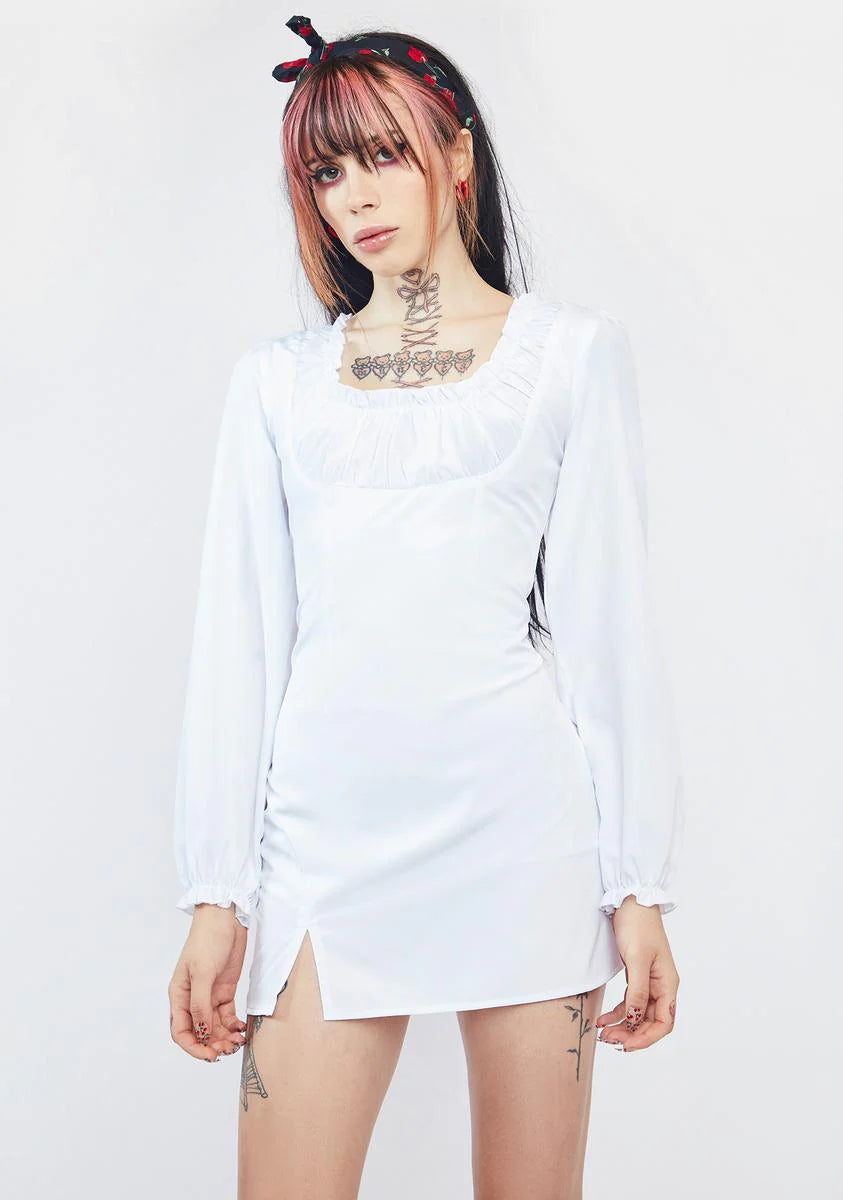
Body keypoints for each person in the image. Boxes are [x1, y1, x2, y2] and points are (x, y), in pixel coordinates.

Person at [167, 15, 684, 1199]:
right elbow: (238, 647)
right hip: (323, 851)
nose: (354, 195)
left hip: (524, 839)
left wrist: (637, 886)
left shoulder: (572, 358)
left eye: (382, 154)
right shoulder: (277, 387)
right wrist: (215, 892)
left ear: (456, 155)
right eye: (325, 171)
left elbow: (608, 635)